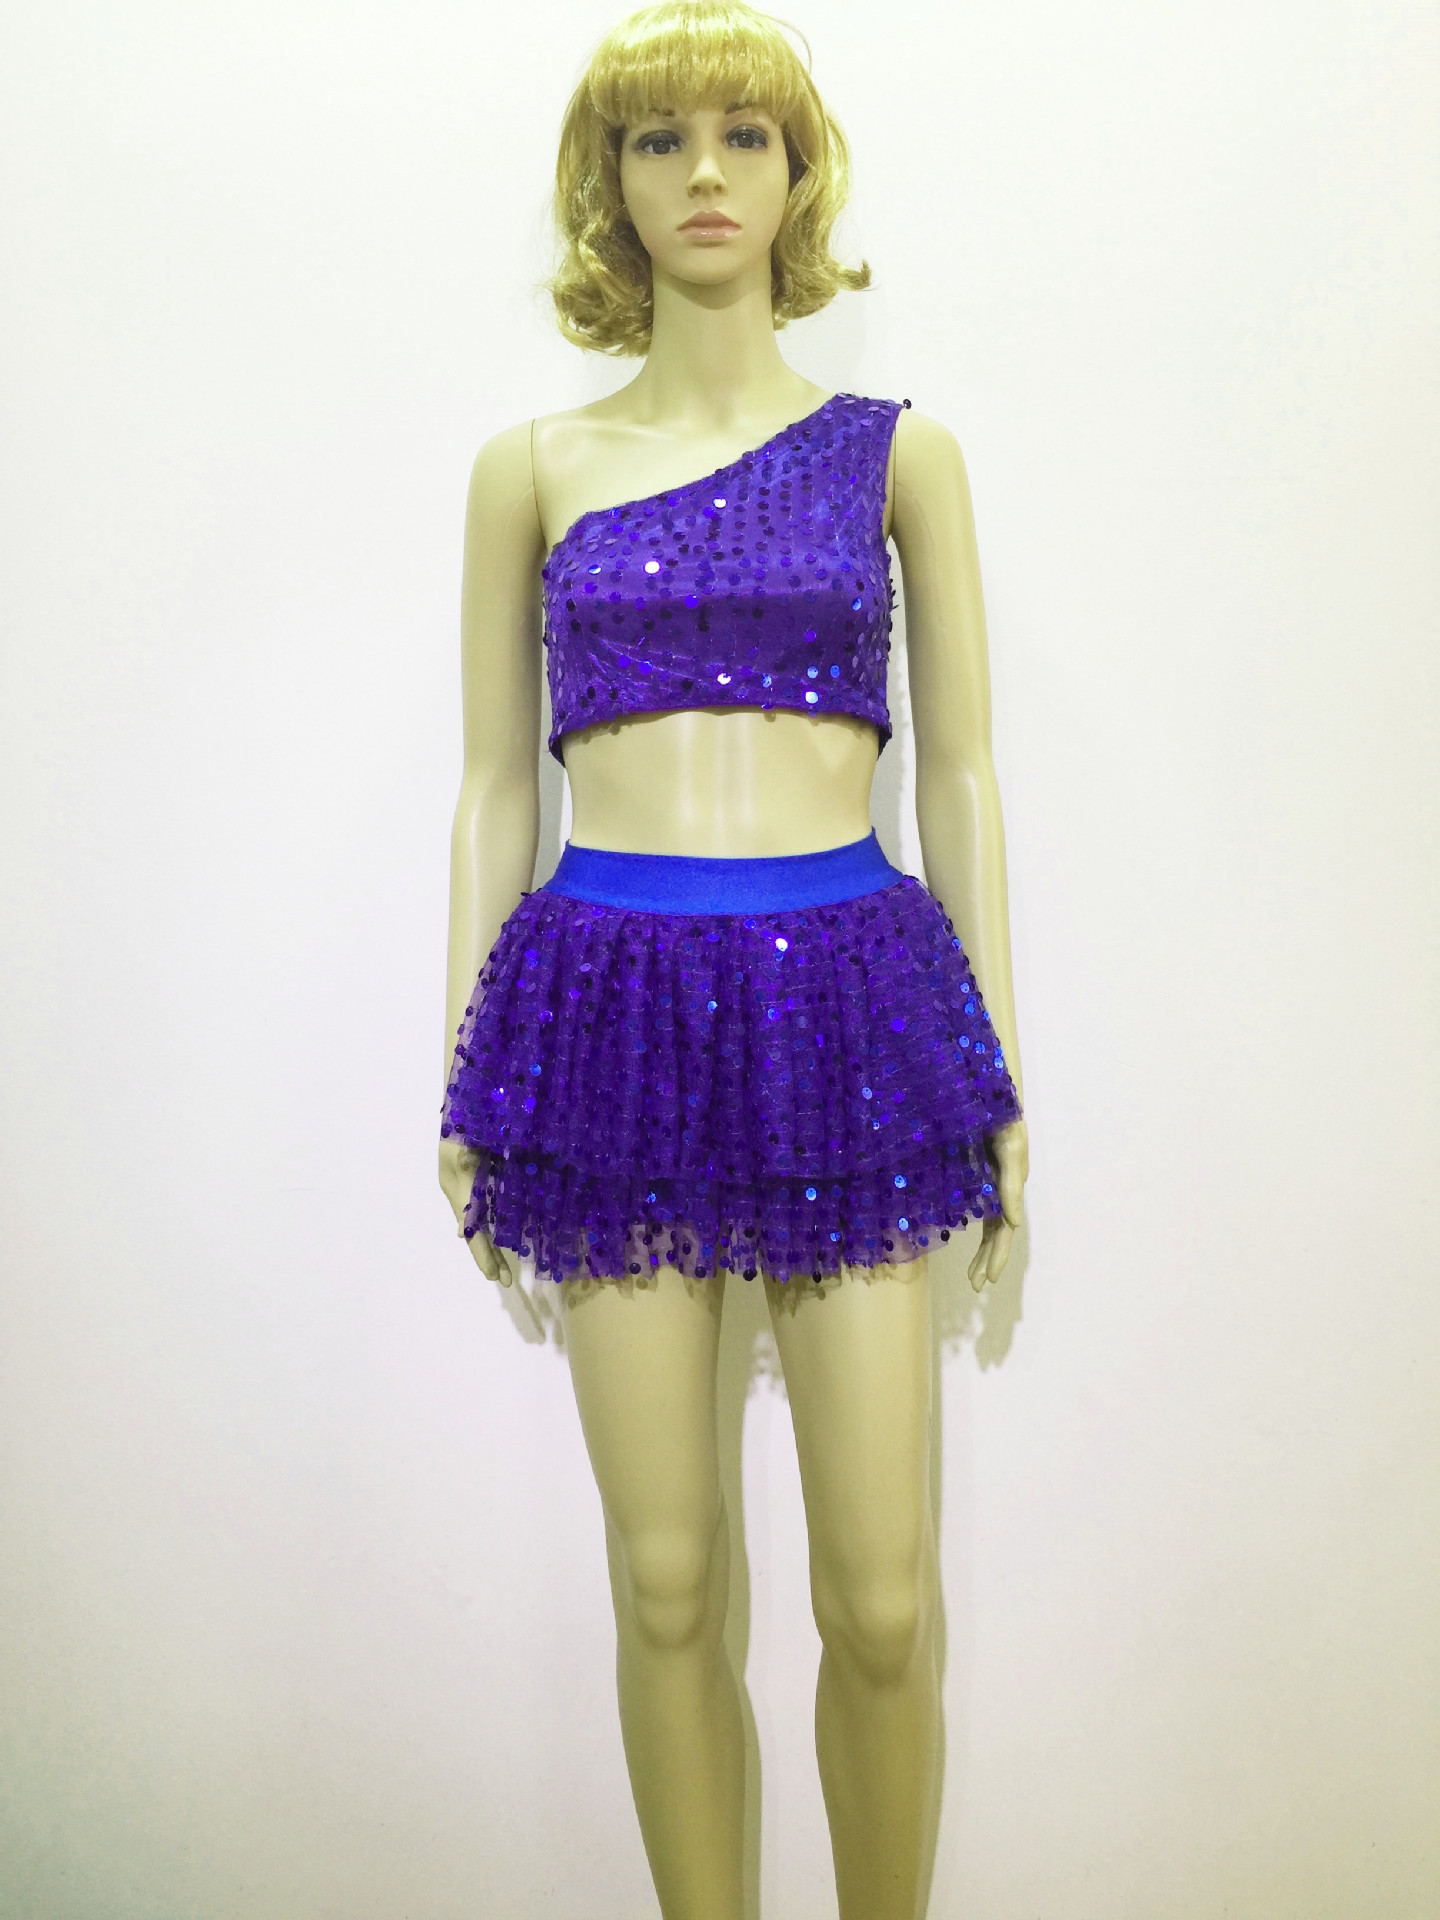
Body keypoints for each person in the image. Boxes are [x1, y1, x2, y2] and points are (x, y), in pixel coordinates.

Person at [437, 4, 1027, 1914]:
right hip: (603, 1009)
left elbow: (964, 774)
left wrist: (998, 1070)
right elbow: (491, 785)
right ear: (606, 185)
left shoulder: (901, 456)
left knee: (883, 1595)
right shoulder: (531, 467)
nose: (703, 173)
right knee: (669, 1577)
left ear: (797, 175)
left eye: (744, 138)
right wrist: (464, 1071)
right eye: (658, 140)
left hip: (851, 1002)